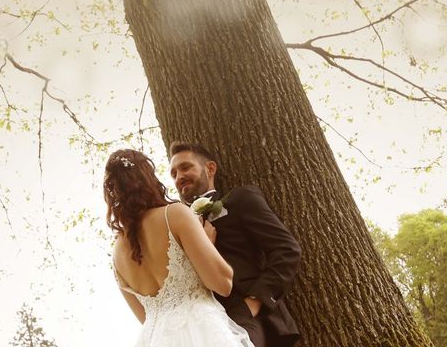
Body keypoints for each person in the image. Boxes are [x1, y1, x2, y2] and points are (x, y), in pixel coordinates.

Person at [103, 149, 253, 347]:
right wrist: (206, 243)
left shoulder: (116, 254)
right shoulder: (173, 214)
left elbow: (145, 318)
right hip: (203, 331)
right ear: (148, 178)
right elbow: (223, 284)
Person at [169, 142, 302, 347]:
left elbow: (287, 250)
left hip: (250, 315)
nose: (179, 177)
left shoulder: (240, 199)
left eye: (186, 167)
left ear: (210, 168)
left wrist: (256, 301)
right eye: (174, 174)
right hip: (205, 323)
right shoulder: (177, 227)